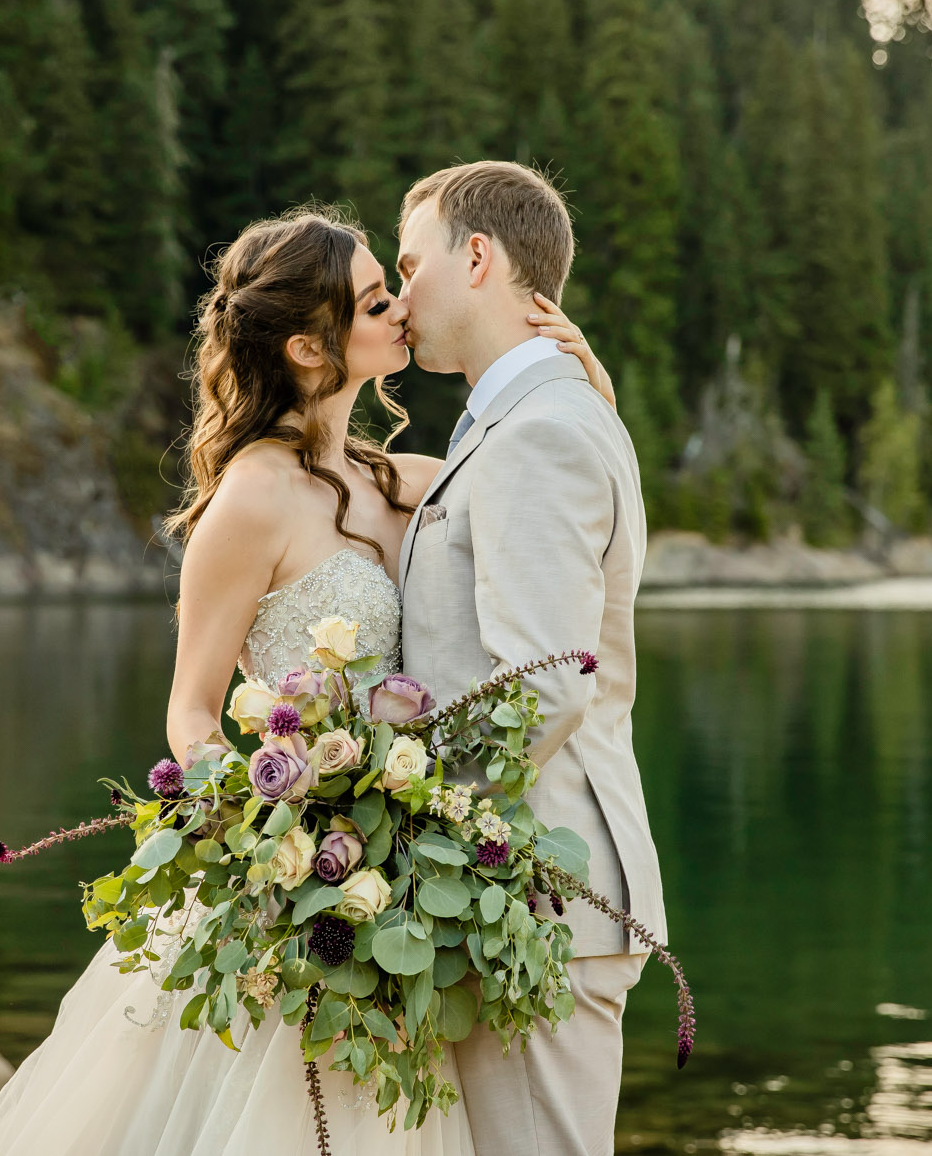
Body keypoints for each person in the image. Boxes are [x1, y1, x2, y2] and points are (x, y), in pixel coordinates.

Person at [0, 198, 615, 1156]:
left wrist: (576, 378)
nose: (399, 306)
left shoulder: (399, 478)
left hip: (393, 879)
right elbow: (192, 708)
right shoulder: (251, 499)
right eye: (369, 301)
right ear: (312, 349)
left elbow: (534, 474)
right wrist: (272, 833)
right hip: (295, 878)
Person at [395, 161, 667, 1156]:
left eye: (409, 261)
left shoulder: (538, 433)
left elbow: (539, 690)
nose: (396, 292)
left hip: (542, 897)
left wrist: (387, 795)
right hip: (531, 888)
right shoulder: (543, 414)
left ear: (477, 257)